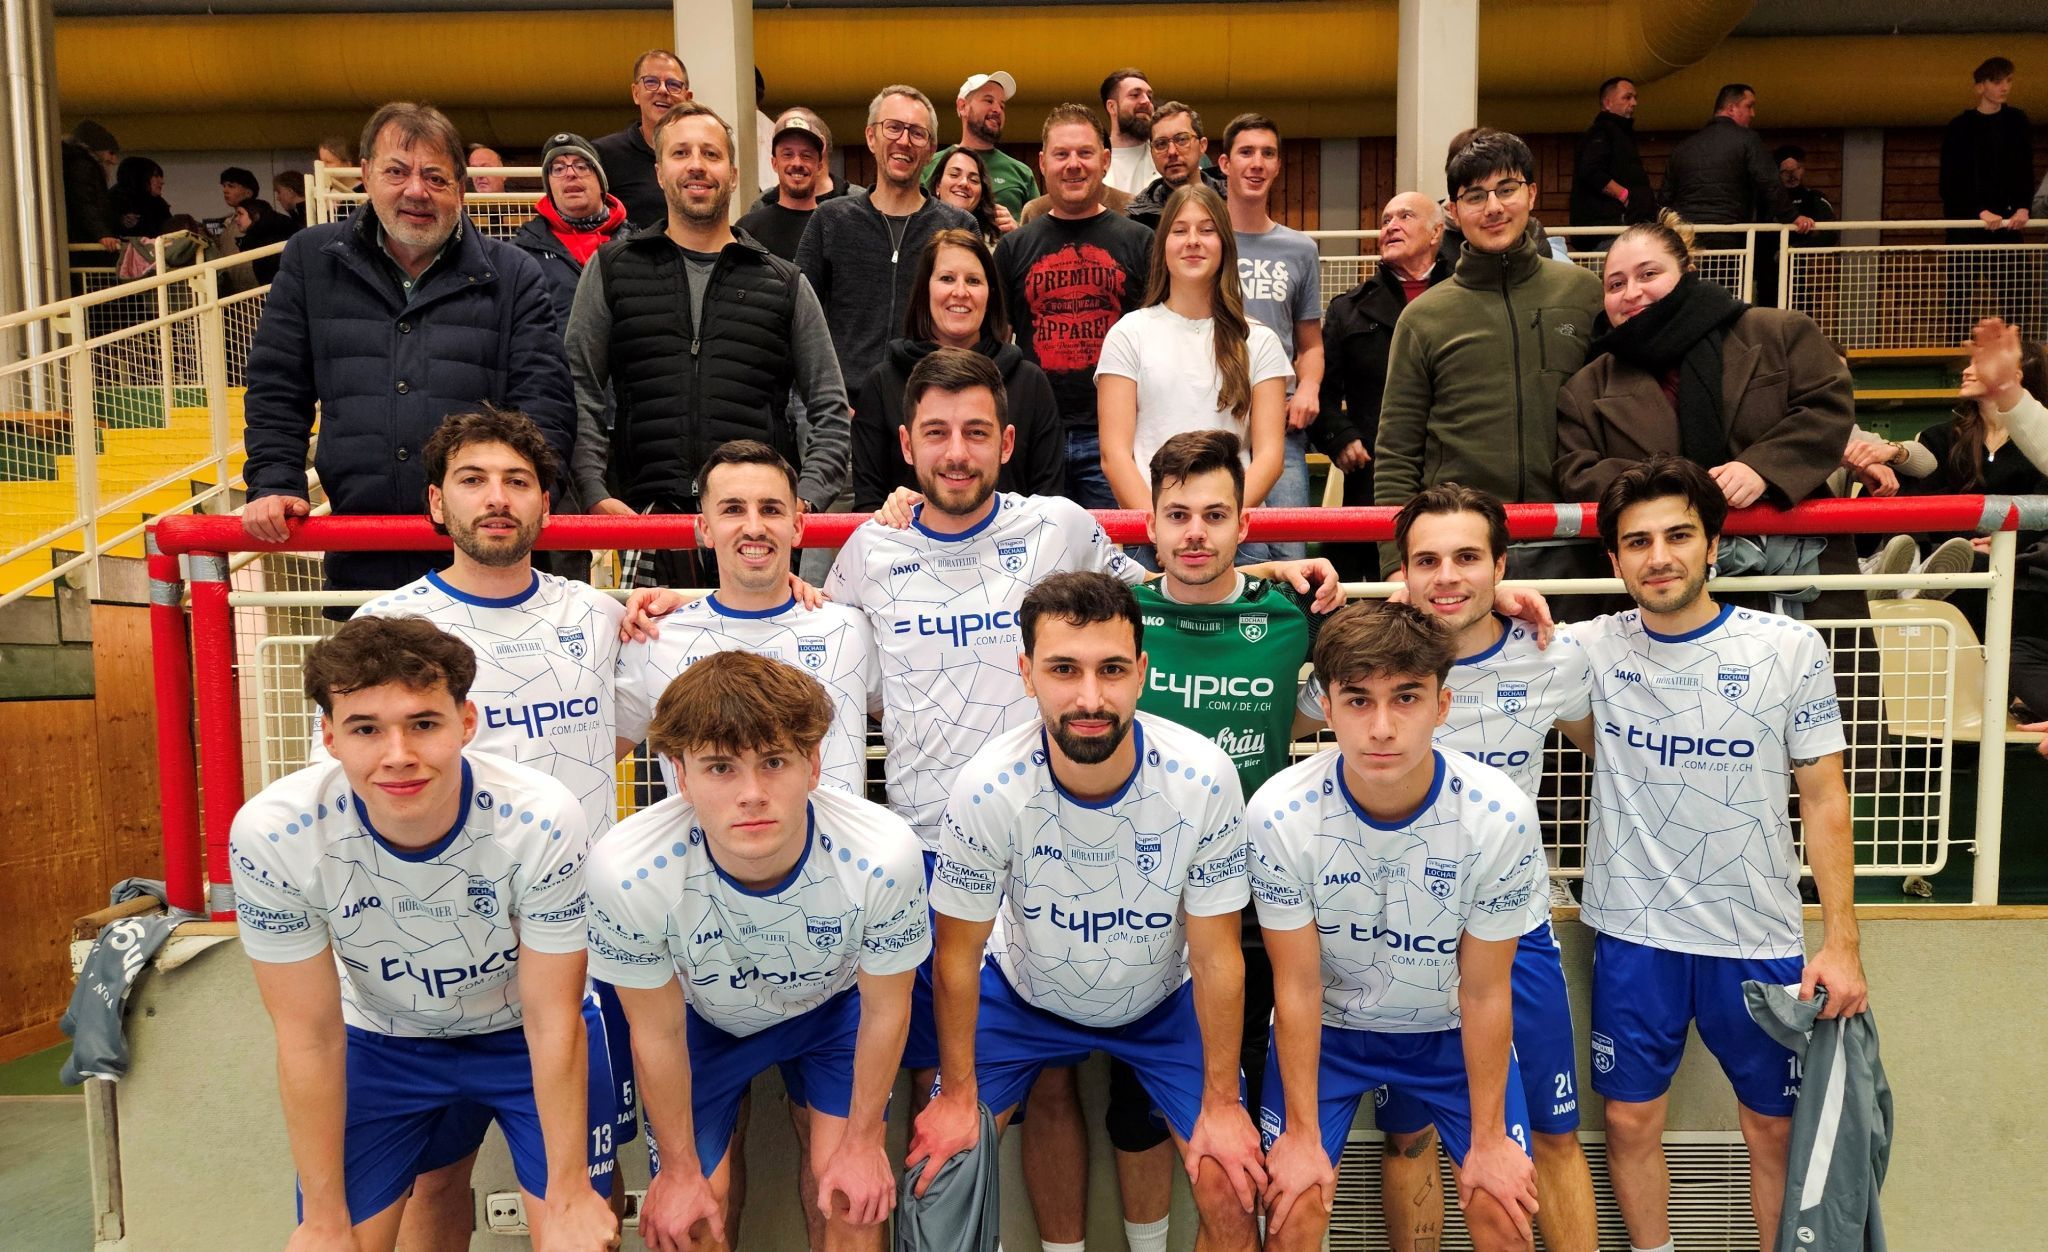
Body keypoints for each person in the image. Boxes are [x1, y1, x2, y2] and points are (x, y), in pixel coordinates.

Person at [229, 614, 619, 1252]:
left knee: (577, 1239)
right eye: (365, 729)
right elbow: (309, 1035)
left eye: (423, 724)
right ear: (328, 736)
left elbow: (554, 1020)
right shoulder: (274, 835)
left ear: (466, 724)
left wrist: (570, 1191)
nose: (398, 755)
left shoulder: (541, 818)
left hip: (524, 1035)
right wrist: (324, 1219)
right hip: (381, 1042)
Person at [907, 571, 1266, 1252]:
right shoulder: (986, 786)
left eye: (1112, 670)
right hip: (1021, 1003)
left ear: (1143, 673)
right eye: (1064, 670)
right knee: (939, 1175)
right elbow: (955, 957)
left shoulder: (1204, 776)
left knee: (1229, 1183)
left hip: (1162, 1006)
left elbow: (1219, 955)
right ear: (1027, 673)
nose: (1090, 697)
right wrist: (956, 1096)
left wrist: (1221, 1105)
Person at [343, 406, 634, 1245]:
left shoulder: (598, 614)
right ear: (438, 503)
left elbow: (620, 725)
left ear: (546, 503)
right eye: (474, 481)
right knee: (436, 1184)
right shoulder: (388, 626)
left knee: (590, 1187)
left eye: (517, 482)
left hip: (577, 951)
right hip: (438, 955)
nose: (496, 499)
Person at [1575, 456, 1869, 1252]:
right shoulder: (1589, 648)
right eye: (1637, 542)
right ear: (1614, 559)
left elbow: (1824, 795)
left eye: (1678, 535)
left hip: (1759, 936)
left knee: (1773, 1131)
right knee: (1631, 1120)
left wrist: (1840, 942)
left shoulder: (1788, 646)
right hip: (1635, 935)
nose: (1658, 556)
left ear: (1713, 546)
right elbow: (1482, 630)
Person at [584, 649, 929, 1252]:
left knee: (854, 1198)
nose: (751, 794)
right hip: (701, 1023)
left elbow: (886, 1009)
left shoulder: (882, 853)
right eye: (720, 768)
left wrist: (863, 1143)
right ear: (680, 774)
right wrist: (680, 1173)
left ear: (815, 763)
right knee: (689, 1218)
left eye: (774, 762)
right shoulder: (627, 870)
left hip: (833, 1014)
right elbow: (657, 1033)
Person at [1251, 600, 1545, 1252]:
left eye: (1406, 698)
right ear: (1325, 707)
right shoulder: (1278, 812)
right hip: (1328, 1034)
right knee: (1293, 1209)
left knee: (1502, 1210)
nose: (1382, 727)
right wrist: (1300, 1139)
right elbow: (1295, 988)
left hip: (1447, 1034)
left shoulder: (1500, 815)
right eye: (1358, 701)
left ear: (1442, 705)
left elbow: (1486, 992)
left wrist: (1491, 1142)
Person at [1370, 486, 1601, 1252]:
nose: (1447, 576)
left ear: (1501, 566)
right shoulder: (1365, 660)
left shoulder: (1550, 656)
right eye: (1427, 561)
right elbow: (1287, 702)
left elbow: (1606, 746)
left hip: (1515, 936)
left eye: (1468, 558)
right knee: (1408, 1139)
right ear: (1400, 573)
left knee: (1553, 1135)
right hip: (1398, 943)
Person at [1112, 430, 1325, 1251]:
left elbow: (1417, 622)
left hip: (1251, 907)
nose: (1194, 532)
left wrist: (1520, 599)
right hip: (1137, 903)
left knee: (1240, 1118)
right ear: (1151, 525)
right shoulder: (1117, 614)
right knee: (1136, 1112)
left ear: (1245, 522)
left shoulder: (1291, 612)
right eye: (1177, 516)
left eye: (1213, 515)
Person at [239, 101, 573, 599]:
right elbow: (277, 383)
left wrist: (519, 500)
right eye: (397, 172)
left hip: (486, 556)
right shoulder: (311, 259)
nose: (416, 190)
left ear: (459, 190)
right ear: (367, 175)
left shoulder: (515, 273)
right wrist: (274, 480)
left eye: (435, 177)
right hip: (363, 554)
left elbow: (544, 401)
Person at [567, 100, 850, 588]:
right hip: (646, 520)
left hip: (754, 528)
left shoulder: (784, 282)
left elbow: (829, 407)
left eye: (711, 154)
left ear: (734, 173)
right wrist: (593, 490)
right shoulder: (612, 269)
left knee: (757, 667)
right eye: (681, 153)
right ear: (659, 171)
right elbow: (578, 389)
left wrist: (803, 498)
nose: (696, 165)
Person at [1554, 212, 1857, 617]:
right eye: (1615, 284)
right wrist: (1679, 489)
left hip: (1795, 574)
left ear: (1687, 272)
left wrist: (1761, 468)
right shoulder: (1585, 388)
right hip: (1660, 587)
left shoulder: (1778, 333)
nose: (1631, 293)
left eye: (1648, 274)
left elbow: (1826, 409)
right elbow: (1577, 472)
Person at [1372, 130, 1603, 578]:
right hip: (1458, 548)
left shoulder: (1584, 294)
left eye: (1507, 189)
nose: (1493, 207)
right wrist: (1394, 562)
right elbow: (1397, 450)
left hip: (1572, 540)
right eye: (1475, 195)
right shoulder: (1424, 318)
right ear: (1454, 212)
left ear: (1532, 193)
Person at [616, 439, 876, 799]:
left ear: (797, 526)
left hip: (836, 853)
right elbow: (586, 756)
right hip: (703, 854)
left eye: (770, 509)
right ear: (705, 529)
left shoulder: (851, 630)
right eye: (733, 509)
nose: (754, 527)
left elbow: (923, 719)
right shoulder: (655, 639)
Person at [1096, 184, 1290, 523]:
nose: (1193, 241)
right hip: (1151, 530)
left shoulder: (1260, 340)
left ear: (1225, 245)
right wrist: (1160, 526)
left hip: (1233, 532)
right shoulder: (1128, 334)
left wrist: (1224, 523)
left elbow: (1270, 457)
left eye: (1207, 230)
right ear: (1163, 247)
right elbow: (1115, 455)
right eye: (1180, 230)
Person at [995, 104, 1155, 509]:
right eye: (1061, 154)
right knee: (1040, 559)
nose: (1073, 165)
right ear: (1042, 163)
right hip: (1035, 433)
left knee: (1120, 560)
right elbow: (996, 342)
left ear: (1105, 161)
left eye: (1085, 153)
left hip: (1116, 438)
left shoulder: (1140, 243)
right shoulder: (1015, 248)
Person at [850, 229, 1063, 509]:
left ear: (991, 294)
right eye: (947, 278)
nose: (960, 292)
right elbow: (869, 504)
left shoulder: (1030, 383)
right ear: (925, 288)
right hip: (911, 550)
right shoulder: (882, 382)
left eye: (973, 281)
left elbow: (1049, 502)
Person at [798, 85, 976, 411]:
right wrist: (823, 399)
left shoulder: (959, 226)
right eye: (893, 128)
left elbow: (975, 325)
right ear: (870, 137)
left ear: (931, 148)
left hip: (930, 409)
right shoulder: (830, 221)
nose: (904, 141)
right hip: (844, 411)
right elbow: (799, 319)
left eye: (917, 133)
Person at [1858, 317, 2048, 617]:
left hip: (2020, 562)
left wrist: (2004, 544)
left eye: (1979, 363)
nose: (1966, 371)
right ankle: (1907, 569)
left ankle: (1918, 576)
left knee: (1984, 567)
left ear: (2017, 374)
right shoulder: (1941, 436)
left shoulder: (2035, 442)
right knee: (1895, 480)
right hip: (1948, 551)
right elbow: (1925, 490)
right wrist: (1894, 453)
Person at [1311, 192, 1452, 579]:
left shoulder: (1469, 298)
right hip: (1375, 476)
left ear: (1436, 231)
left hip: (1456, 469)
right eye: (1386, 218)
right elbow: (1320, 394)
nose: (1391, 226)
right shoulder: (1348, 309)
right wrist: (1340, 438)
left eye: (1405, 216)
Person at [1219, 112, 1322, 559]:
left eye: (1268, 153)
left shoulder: (1300, 249)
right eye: (1246, 152)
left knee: (1288, 556)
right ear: (1224, 163)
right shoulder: (1200, 241)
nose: (1257, 163)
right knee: (1223, 553)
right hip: (1214, 421)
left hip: (1280, 428)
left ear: (1278, 166)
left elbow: (1310, 343)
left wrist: (1310, 388)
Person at [1660, 85, 1810, 243]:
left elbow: (1666, 197)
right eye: (1749, 106)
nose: (1753, 114)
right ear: (1731, 108)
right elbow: (1768, 182)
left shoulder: (1683, 147)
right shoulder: (1748, 140)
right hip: (1729, 232)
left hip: (1686, 236)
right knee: (1727, 267)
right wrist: (1792, 216)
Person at [514, 132, 631, 328]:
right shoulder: (520, 255)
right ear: (549, 187)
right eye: (558, 169)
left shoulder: (640, 246)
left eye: (582, 166)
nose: (570, 174)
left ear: (601, 183)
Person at [737, 110, 855, 262]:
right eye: (787, 154)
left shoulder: (841, 228)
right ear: (774, 163)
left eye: (806, 155)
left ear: (819, 166)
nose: (797, 163)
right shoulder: (747, 230)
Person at [1940, 57, 2035, 242]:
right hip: (1967, 223)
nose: (2005, 87)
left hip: (2008, 222)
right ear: (1980, 87)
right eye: (1997, 81)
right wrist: (1980, 211)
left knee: (2014, 270)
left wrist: (2023, 207)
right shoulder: (1959, 127)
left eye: (2008, 81)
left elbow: (2025, 169)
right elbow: (1950, 181)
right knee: (1965, 268)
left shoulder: (2017, 121)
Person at [593, 49, 692, 229]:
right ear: (636, 93)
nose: (662, 90)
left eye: (673, 85)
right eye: (651, 82)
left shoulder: (698, 156)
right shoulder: (605, 154)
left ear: (688, 98)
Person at [923, 70, 1035, 221]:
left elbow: (1039, 236)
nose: (997, 110)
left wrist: (1017, 232)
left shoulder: (1022, 173)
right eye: (989, 101)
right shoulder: (928, 165)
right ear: (962, 107)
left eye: (1002, 106)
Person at [1125, 100, 1225, 231]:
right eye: (1161, 144)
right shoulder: (1138, 219)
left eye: (1182, 139)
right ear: (1152, 153)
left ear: (1202, 145)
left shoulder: (1234, 201)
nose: (1172, 152)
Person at [1571, 76, 1653, 229]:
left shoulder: (1616, 133)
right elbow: (1591, 170)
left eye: (1634, 97)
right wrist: (1625, 197)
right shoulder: (1602, 132)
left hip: (1618, 225)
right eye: (1627, 97)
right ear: (1607, 103)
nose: (1634, 103)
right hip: (1611, 226)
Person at [925, 147, 1007, 246]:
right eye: (954, 175)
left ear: (981, 195)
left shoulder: (995, 244)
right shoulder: (917, 229)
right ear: (938, 185)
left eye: (974, 180)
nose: (964, 183)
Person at [62, 120, 121, 252]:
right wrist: (102, 233)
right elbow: (84, 202)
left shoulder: (74, 164)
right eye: (111, 153)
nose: (114, 160)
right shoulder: (83, 167)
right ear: (97, 149)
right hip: (84, 239)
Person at [1101, 67, 1159, 196]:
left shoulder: (1167, 156)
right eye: (1135, 95)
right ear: (1112, 107)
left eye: (1149, 96)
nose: (1146, 101)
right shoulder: (1094, 161)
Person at [232, 197, 300, 285]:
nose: (236, 219)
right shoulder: (260, 238)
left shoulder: (268, 239)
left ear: (256, 216)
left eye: (240, 214)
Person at [1774, 146, 1837, 228]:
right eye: (1785, 171)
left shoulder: (1815, 198)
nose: (1791, 175)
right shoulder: (1770, 200)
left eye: (1797, 169)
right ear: (1777, 172)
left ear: (1803, 169)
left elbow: (1830, 231)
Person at [111, 156, 172, 237]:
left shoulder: (158, 203)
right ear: (140, 177)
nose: (162, 182)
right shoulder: (113, 201)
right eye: (156, 176)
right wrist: (120, 222)